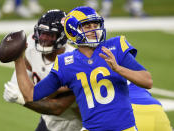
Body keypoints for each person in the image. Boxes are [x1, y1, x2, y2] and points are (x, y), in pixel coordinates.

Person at [13, 6, 153, 130]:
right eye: (87, 26)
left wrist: (118, 69)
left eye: (96, 24)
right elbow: (31, 94)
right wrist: (19, 59)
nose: (94, 29)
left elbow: (147, 81)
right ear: (72, 31)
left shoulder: (115, 46)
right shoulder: (65, 62)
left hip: (124, 128)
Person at [3, 9, 82, 131]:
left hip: (77, 123)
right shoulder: (30, 45)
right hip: (49, 120)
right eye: (41, 33)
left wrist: (22, 99)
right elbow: (27, 67)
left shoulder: (73, 62)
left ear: (62, 36)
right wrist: (15, 84)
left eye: (50, 35)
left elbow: (57, 108)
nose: (43, 38)